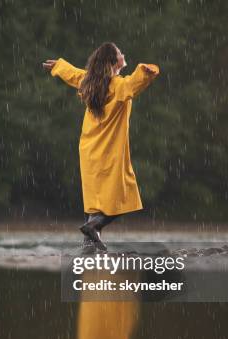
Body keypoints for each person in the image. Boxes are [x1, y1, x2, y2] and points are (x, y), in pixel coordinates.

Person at [43, 42, 160, 251]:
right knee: (123, 195)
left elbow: (73, 74)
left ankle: (89, 246)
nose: (123, 54)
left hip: (88, 149)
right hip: (109, 151)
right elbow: (136, 82)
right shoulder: (119, 86)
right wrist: (147, 70)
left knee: (94, 201)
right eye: (119, 53)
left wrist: (58, 66)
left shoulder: (89, 81)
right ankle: (94, 226)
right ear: (115, 62)